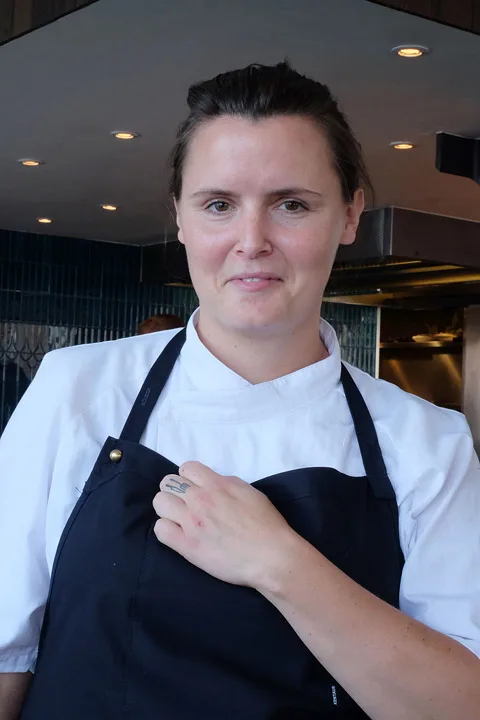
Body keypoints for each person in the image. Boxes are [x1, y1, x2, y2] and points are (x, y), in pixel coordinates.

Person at [0, 62, 479, 720]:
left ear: (349, 215)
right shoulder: (76, 387)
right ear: (180, 217)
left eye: (292, 205)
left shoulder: (430, 442)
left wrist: (279, 562)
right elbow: (7, 657)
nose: (251, 243)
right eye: (219, 205)